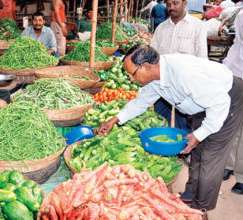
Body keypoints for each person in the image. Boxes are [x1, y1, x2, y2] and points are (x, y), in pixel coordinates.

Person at [97, 44, 243, 211]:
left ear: (146, 66)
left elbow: (220, 102)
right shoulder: (155, 77)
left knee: (210, 156)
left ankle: (200, 209)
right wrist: (115, 119)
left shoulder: (184, 74)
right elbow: (140, 102)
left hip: (227, 100)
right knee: (196, 150)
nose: (131, 79)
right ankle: (190, 193)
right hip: (203, 102)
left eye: (133, 74)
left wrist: (200, 134)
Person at [150, 0, 207, 133]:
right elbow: (153, 57)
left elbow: (202, 59)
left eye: (175, 3)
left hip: (185, 88)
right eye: (169, 4)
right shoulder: (161, 28)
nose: (171, 8)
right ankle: (163, 150)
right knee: (161, 123)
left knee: (183, 126)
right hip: (163, 87)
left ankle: (181, 151)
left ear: (184, 3)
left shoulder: (197, 26)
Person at [222, 10, 243, 195]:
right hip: (238, 74)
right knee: (232, 122)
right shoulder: (242, 14)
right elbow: (237, 45)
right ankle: (227, 165)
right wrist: (226, 69)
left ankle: (242, 175)